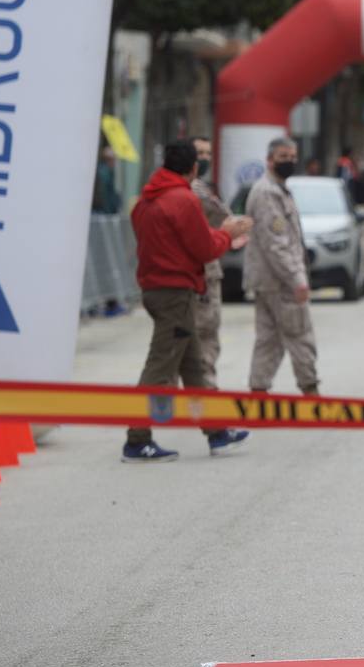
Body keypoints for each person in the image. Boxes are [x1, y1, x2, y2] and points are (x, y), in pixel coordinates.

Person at [127, 139, 253, 462]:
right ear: (194, 168)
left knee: (193, 366)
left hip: (157, 289)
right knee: (159, 367)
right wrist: (227, 232)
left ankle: (217, 433)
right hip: (175, 294)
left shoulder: (147, 199)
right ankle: (137, 439)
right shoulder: (183, 199)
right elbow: (204, 249)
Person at [245, 137, 319, 396]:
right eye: (283, 157)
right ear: (269, 159)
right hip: (280, 282)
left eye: (292, 157)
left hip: (269, 281)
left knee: (268, 340)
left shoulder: (278, 189)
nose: (289, 162)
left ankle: (258, 394)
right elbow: (276, 244)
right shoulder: (267, 193)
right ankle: (311, 394)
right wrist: (297, 279)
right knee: (300, 336)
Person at [190, 136, 230, 388]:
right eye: (199, 153)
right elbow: (223, 219)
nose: (204, 158)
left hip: (207, 269)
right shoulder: (194, 191)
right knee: (203, 334)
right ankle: (206, 390)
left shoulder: (202, 187)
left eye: (208, 153)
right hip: (200, 271)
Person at [91, 145, 121, 214]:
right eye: (113, 159)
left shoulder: (108, 171)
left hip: (101, 209)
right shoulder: (104, 172)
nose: (114, 162)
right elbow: (105, 194)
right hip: (101, 210)